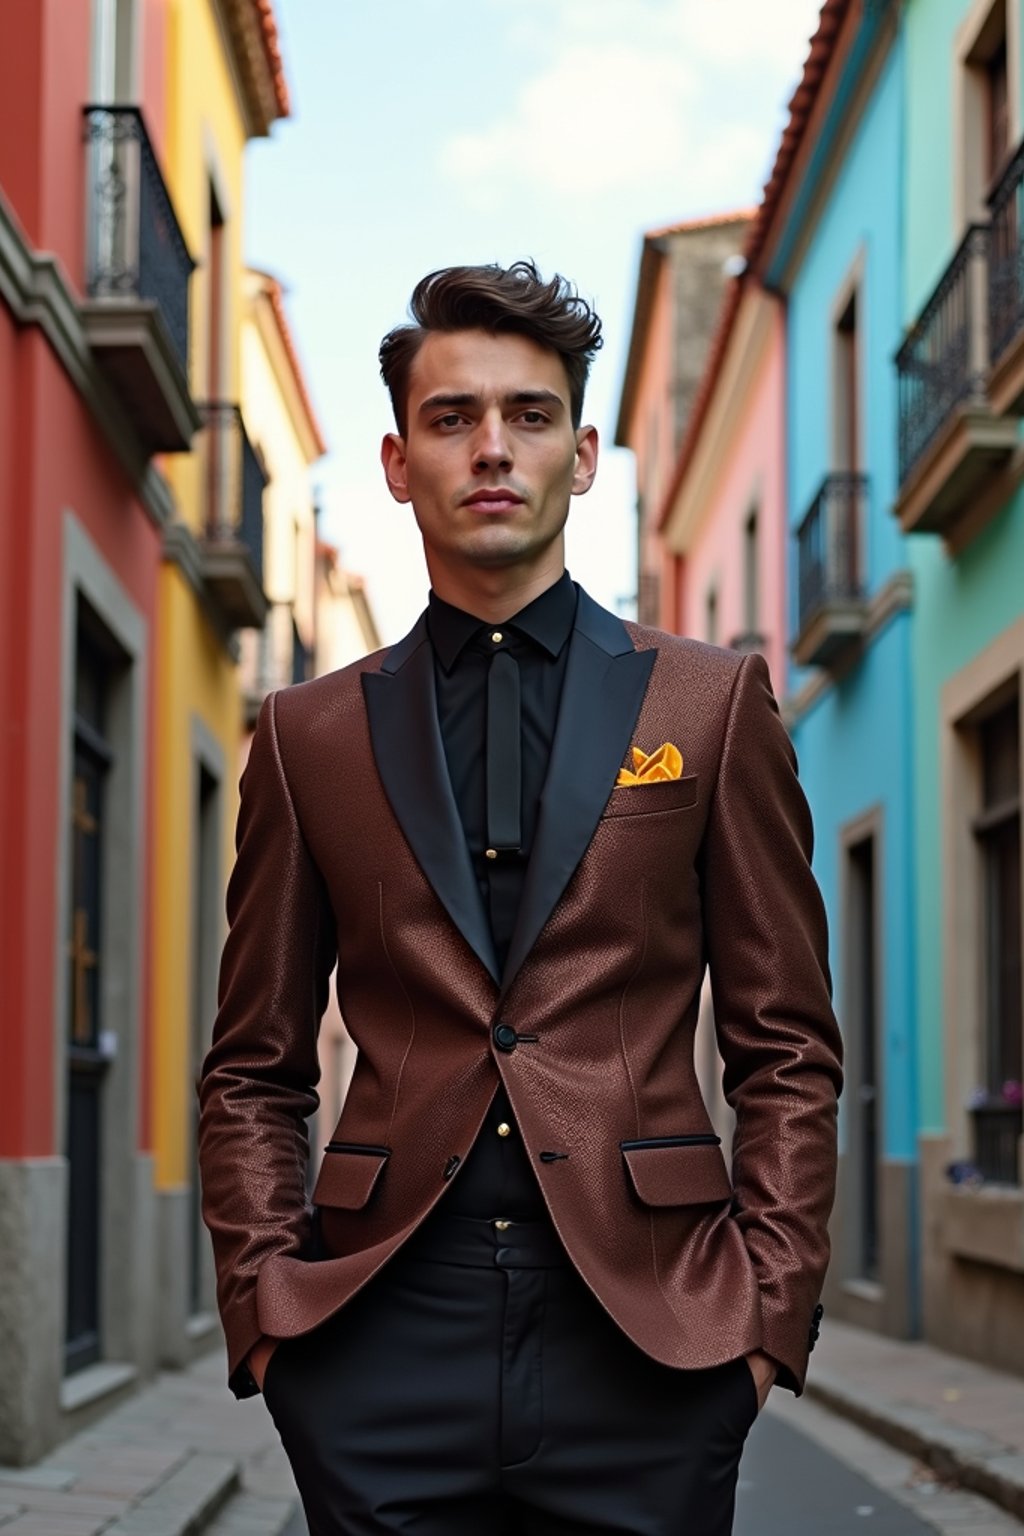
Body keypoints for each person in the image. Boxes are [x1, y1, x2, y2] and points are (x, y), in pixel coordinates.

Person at [199, 259, 843, 1536]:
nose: (492, 448)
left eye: (530, 415)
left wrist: (766, 1318)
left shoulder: (707, 703)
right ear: (398, 463)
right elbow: (253, 1065)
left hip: (652, 1337)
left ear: (584, 453)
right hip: (379, 1332)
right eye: (452, 418)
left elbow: (786, 1045)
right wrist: (269, 1313)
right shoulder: (305, 734)